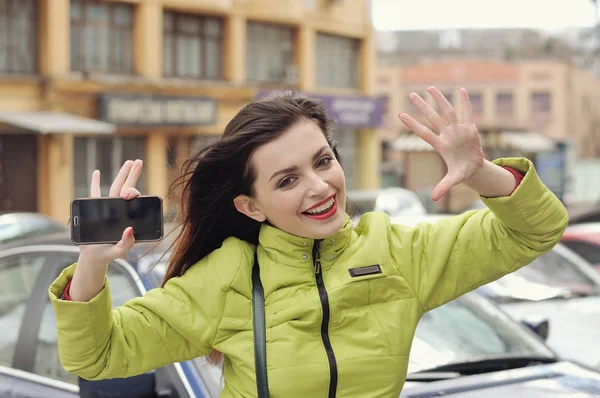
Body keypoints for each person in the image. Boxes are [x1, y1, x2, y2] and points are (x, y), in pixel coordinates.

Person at [50, 87, 568, 397]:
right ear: (250, 206)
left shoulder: (396, 253)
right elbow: (98, 356)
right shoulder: (226, 278)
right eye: (287, 179)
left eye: (323, 161)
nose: (320, 186)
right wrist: (93, 263)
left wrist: (480, 174)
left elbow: (535, 229)